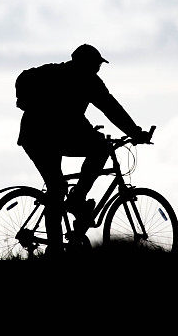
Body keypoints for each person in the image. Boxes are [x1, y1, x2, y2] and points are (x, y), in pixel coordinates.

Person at [15, 44, 151, 256]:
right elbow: (110, 108)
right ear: (86, 64)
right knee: (58, 188)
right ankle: (57, 245)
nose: (98, 69)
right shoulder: (74, 77)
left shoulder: (74, 76)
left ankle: (76, 203)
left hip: (51, 136)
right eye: (97, 65)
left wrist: (134, 131)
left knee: (93, 153)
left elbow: (109, 108)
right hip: (39, 138)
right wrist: (135, 133)